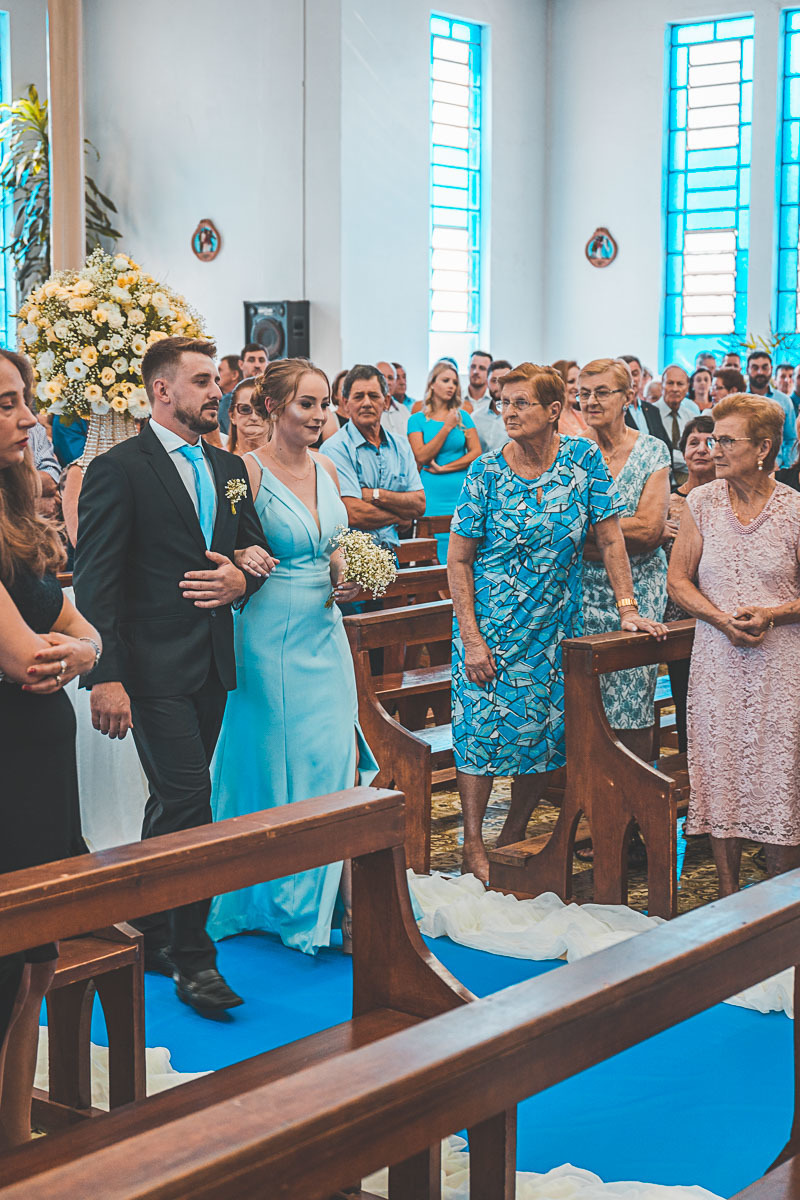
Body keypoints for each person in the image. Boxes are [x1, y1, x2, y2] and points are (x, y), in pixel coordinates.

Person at [74, 336, 273, 1016]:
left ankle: (153, 927)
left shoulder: (226, 466)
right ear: (163, 392)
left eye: (215, 379)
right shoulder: (119, 469)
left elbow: (255, 546)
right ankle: (195, 959)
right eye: (201, 382)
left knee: (171, 803)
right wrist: (108, 675)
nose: (217, 391)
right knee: (190, 806)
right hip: (151, 670)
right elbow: (97, 581)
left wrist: (238, 576)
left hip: (213, 663)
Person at [448, 362, 665, 883]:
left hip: (554, 627)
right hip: (492, 626)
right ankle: (473, 841)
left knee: (544, 737)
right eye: (504, 401)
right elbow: (458, 559)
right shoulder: (486, 472)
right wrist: (471, 639)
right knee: (479, 733)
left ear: (552, 411)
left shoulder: (582, 459)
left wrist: (628, 609)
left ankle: (511, 834)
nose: (509, 412)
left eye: (521, 403)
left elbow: (611, 537)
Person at [208, 359, 378, 953]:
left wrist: (348, 575)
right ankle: (274, 893)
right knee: (272, 758)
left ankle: (336, 898)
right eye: (307, 404)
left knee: (333, 756)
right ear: (274, 408)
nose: (320, 415)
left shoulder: (329, 467)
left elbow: (333, 546)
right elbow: (216, 546)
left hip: (323, 628)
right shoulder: (241, 473)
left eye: (323, 403)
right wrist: (241, 558)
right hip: (267, 633)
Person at [0, 348, 101, 1148]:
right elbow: (32, 657)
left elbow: (74, 625)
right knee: (5, 958)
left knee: (36, 955)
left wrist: (84, 648)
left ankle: (17, 1128)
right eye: (8, 404)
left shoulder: (13, 509)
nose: (30, 417)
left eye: (24, 400)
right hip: (7, 767)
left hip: (40, 764)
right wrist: (77, 650)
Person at [668, 393, 800, 896]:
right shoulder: (700, 503)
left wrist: (772, 613)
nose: (711, 449)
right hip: (718, 661)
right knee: (719, 772)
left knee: (777, 776)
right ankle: (726, 897)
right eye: (708, 439)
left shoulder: (793, 510)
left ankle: (780, 908)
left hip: (781, 664)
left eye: (725, 440)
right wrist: (721, 619)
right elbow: (678, 581)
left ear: (763, 447)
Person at [581, 358, 671, 763]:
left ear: (628, 397)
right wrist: (618, 530)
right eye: (584, 393)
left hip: (640, 587)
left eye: (602, 392)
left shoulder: (652, 450)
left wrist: (592, 531)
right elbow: (559, 529)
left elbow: (651, 529)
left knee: (632, 694)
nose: (591, 401)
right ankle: (589, 790)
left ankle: (636, 798)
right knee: (584, 695)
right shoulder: (573, 452)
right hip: (580, 587)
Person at [320, 365, 425, 551]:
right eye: (359, 396)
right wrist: (399, 516)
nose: (367, 403)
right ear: (346, 403)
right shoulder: (335, 448)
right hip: (350, 559)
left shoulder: (401, 446)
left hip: (391, 553)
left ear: (386, 401)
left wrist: (374, 495)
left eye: (374, 396)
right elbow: (353, 513)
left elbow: (418, 504)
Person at [661, 415, 716, 752]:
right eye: (693, 443)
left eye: (710, 441)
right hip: (679, 611)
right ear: (683, 452)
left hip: (718, 607)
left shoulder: (728, 498)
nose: (702, 449)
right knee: (684, 691)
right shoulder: (668, 501)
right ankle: (686, 758)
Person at [407, 361, 481, 561]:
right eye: (446, 380)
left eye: (455, 382)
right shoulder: (417, 420)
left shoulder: (463, 416)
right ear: (432, 383)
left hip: (460, 492)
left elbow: (475, 452)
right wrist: (447, 427)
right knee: (431, 548)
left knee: (463, 545)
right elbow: (421, 456)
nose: (451, 386)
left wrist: (445, 468)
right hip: (432, 494)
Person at [747, 350, 795, 469]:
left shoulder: (784, 401)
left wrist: (785, 466)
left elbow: (791, 439)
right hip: (743, 466)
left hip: (775, 467)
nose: (760, 372)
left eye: (765, 367)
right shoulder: (738, 399)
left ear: (771, 369)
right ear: (747, 369)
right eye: (755, 368)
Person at [654, 365, 700, 484]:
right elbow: (657, 455)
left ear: (687, 387)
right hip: (658, 484)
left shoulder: (691, 417)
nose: (675, 389)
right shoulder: (650, 414)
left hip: (689, 485)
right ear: (662, 385)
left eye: (680, 384)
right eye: (670, 383)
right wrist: (688, 460)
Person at [620, 355, 670, 449]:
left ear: (642, 376)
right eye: (626, 374)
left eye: (635, 374)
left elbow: (665, 445)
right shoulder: (616, 412)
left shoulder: (652, 410)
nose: (632, 379)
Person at [218, 342, 269, 434]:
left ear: (267, 364)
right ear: (241, 364)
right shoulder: (228, 401)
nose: (257, 365)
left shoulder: (275, 398)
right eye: (251, 360)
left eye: (261, 360)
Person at [473, 359, 511, 452]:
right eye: (494, 381)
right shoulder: (475, 417)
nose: (499, 386)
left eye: (504, 380)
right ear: (487, 383)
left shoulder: (521, 417)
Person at [227, 377, 269, 456]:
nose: (254, 417)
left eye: (261, 410)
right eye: (245, 409)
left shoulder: (287, 460)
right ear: (232, 416)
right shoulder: (215, 460)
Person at [552, 359, 587, 436]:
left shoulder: (583, 415)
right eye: (571, 381)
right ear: (559, 383)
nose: (577, 388)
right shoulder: (552, 420)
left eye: (578, 383)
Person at [377, 360, 409, 438]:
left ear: (395, 382)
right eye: (382, 377)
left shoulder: (403, 410)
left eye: (390, 378)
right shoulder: (370, 410)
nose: (387, 382)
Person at [466, 349, 492, 414]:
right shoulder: (456, 398)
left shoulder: (495, 402)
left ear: (489, 373)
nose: (476, 371)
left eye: (482, 368)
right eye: (473, 366)